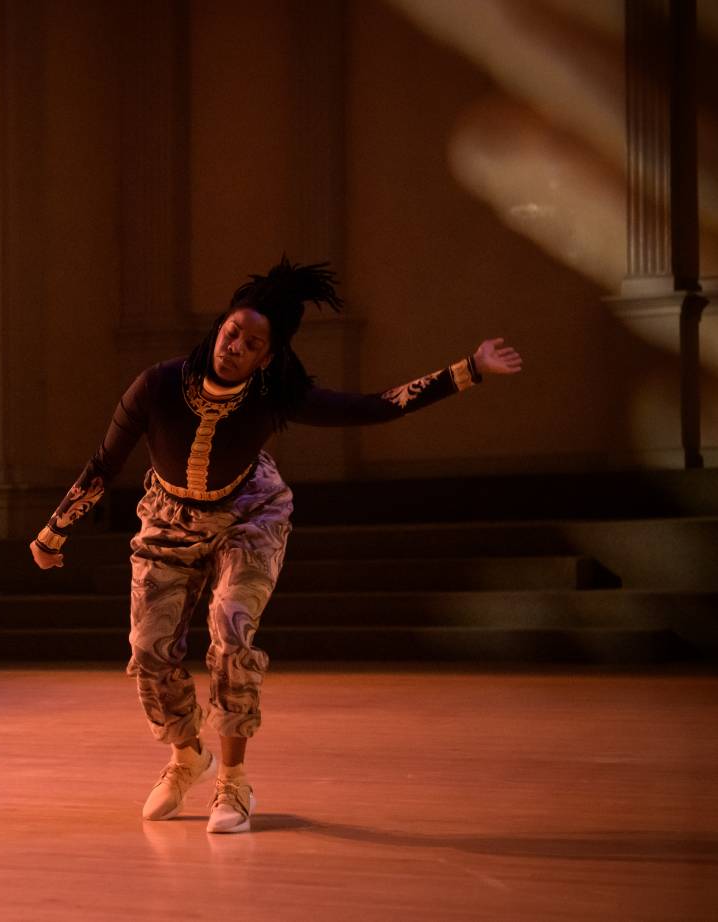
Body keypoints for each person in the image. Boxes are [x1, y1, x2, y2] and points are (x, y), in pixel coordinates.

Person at [28, 258, 522, 833]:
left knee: (231, 627)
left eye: (252, 343)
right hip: (169, 516)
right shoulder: (157, 384)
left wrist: (469, 369)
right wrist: (53, 530)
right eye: (232, 332)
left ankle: (233, 784)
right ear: (220, 327)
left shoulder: (275, 394)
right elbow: (103, 463)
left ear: (267, 356)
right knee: (147, 648)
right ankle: (188, 757)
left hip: (249, 515)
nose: (235, 346)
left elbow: (373, 407)